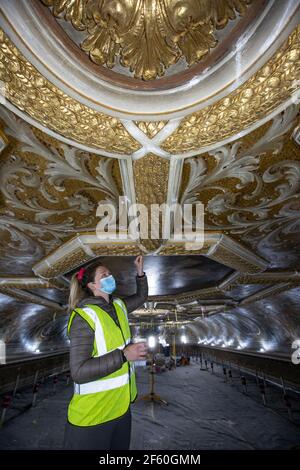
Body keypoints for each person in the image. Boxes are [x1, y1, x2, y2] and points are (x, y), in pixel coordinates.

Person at [63, 255, 148, 450]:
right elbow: (78, 372)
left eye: (110, 273)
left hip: (121, 409)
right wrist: (124, 356)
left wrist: (140, 273)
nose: (110, 276)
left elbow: (142, 297)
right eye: (104, 275)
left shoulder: (118, 306)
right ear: (92, 285)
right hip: (92, 416)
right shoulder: (84, 317)